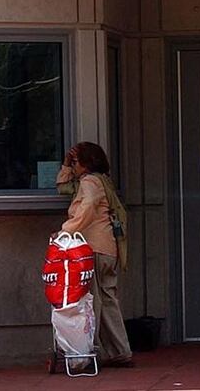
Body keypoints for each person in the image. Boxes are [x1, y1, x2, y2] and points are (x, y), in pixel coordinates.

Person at [55, 142, 132, 367]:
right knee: (108, 300)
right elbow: (63, 187)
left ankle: (87, 353)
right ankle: (120, 350)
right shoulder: (101, 181)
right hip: (107, 249)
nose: (74, 166)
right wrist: (67, 165)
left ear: (87, 163)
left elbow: (86, 207)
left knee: (93, 302)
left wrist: (66, 231)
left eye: (76, 162)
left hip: (93, 248)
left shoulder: (89, 182)